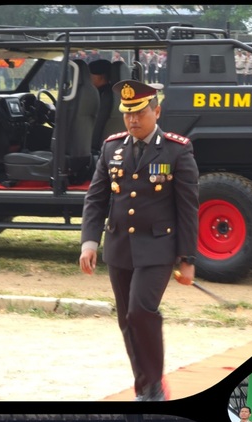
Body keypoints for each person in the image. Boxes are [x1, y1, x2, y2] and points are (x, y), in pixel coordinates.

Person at [79, 79, 199, 401]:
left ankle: (155, 385)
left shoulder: (177, 150)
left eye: (140, 113)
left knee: (140, 312)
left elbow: (188, 208)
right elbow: (96, 198)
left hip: (158, 249)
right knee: (126, 321)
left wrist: (187, 259)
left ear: (156, 111)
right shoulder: (111, 147)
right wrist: (89, 242)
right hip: (119, 248)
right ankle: (144, 386)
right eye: (127, 114)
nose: (133, 120)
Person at [88, 59, 114, 152]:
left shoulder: (102, 96)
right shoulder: (113, 93)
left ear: (101, 77)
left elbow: (96, 124)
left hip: (91, 144)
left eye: (90, 74)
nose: (88, 78)